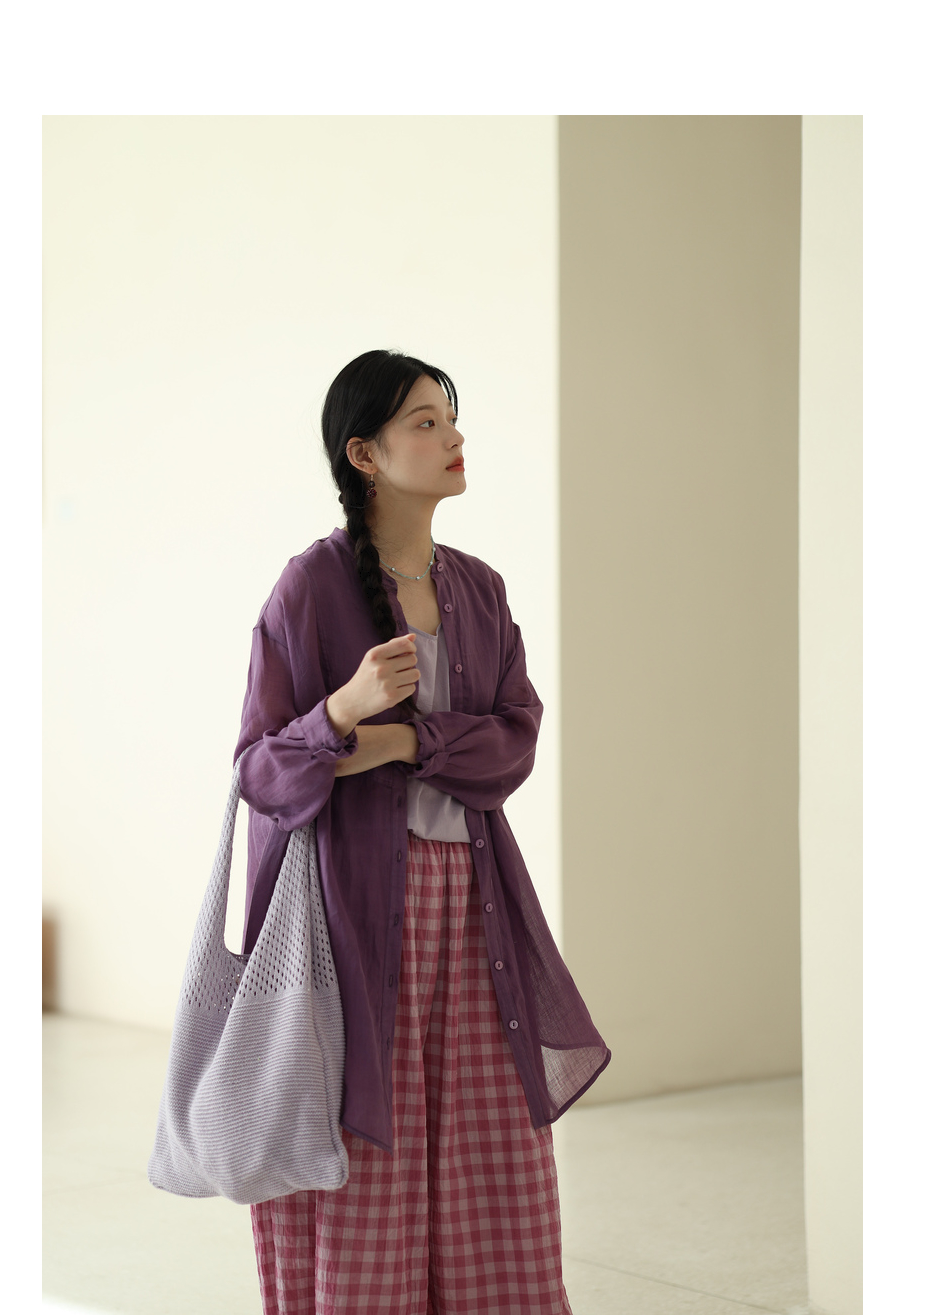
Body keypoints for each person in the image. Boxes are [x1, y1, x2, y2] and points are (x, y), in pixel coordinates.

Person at [234, 349, 610, 1314]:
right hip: (355, 917)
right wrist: (340, 711)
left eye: (451, 417)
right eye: (425, 422)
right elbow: (260, 772)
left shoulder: (479, 589)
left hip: (475, 906)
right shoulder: (308, 587)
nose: (453, 436)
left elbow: (515, 741)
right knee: (372, 1141)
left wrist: (404, 737)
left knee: (491, 1138)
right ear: (364, 454)